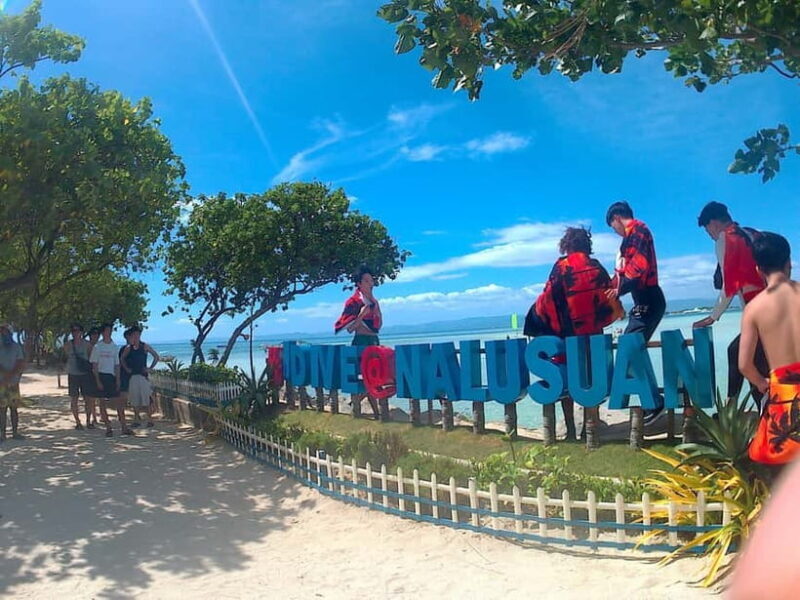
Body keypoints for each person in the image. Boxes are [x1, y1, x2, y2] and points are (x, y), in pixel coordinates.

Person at [524, 227, 625, 439]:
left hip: (565, 337)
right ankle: (591, 427)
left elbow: (548, 299)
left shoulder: (561, 267)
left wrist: (540, 321)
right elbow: (608, 299)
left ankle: (570, 430)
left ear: (566, 245)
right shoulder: (596, 268)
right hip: (592, 336)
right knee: (592, 380)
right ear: (587, 245)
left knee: (564, 379)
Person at [692, 201, 768, 406]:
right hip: (776, 307)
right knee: (739, 353)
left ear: (715, 223)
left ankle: (738, 411)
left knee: (751, 366)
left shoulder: (726, 238)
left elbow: (729, 286)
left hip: (759, 314)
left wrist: (713, 316)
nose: (710, 235)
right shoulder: (753, 233)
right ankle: (731, 406)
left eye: (708, 229)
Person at [739, 233, 800, 465]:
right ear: (789, 263)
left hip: (783, 402)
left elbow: (744, 365)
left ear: (758, 269)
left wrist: (764, 385)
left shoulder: (754, 308)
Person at [605, 202, 666, 425]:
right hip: (643, 301)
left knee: (629, 346)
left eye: (613, 227)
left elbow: (639, 268)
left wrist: (619, 290)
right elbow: (623, 273)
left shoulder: (639, 231)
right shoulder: (627, 240)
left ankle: (654, 403)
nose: (615, 231)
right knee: (632, 348)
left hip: (649, 299)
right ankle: (652, 400)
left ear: (617, 218)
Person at [334, 265, 382, 418]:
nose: (370, 283)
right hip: (360, 341)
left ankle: (370, 410)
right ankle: (372, 412)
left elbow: (378, 326)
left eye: (371, 280)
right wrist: (361, 315)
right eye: (366, 281)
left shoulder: (374, 302)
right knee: (366, 377)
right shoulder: (353, 302)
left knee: (376, 376)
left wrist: (375, 313)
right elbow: (349, 328)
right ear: (359, 284)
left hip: (373, 340)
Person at [90, 323, 132, 437]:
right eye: (107, 330)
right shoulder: (98, 347)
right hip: (101, 375)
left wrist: (118, 379)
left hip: (111, 376)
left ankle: (124, 426)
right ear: (103, 332)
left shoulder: (114, 347)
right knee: (102, 403)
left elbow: (117, 364)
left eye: (110, 330)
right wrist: (97, 380)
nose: (109, 333)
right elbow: (94, 365)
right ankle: (108, 428)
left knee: (119, 402)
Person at [121, 326, 159, 428]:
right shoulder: (129, 348)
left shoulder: (144, 346)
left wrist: (150, 368)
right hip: (133, 375)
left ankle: (150, 419)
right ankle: (136, 418)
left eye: (138, 334)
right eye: (134, 334)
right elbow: (122, 359)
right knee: (134, 398)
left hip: (143, 376)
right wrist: (127, 369)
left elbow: (156, 356)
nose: (136, 336)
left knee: (146, 397)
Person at [65, 323, 94, 429]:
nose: (75, 333)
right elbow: (65, 357)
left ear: (82, 332)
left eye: (77, 331)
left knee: (88, 399)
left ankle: (88, 420)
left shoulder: (87, 345)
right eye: (73, 331)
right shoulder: (68, 345)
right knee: (74, 399)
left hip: (85, 374)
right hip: (73, 374)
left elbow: (92, 359)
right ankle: (78, 422)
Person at [0, 323, 25, 442]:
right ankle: (2, 434)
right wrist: (5, 373)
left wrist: (12, 374)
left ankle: (15, 432)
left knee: (14, 408)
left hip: (14, 383)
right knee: (2, 409)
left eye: (5, 332)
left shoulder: (16, 347)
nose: (3, 334)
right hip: (1, 383)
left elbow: (20, 362)